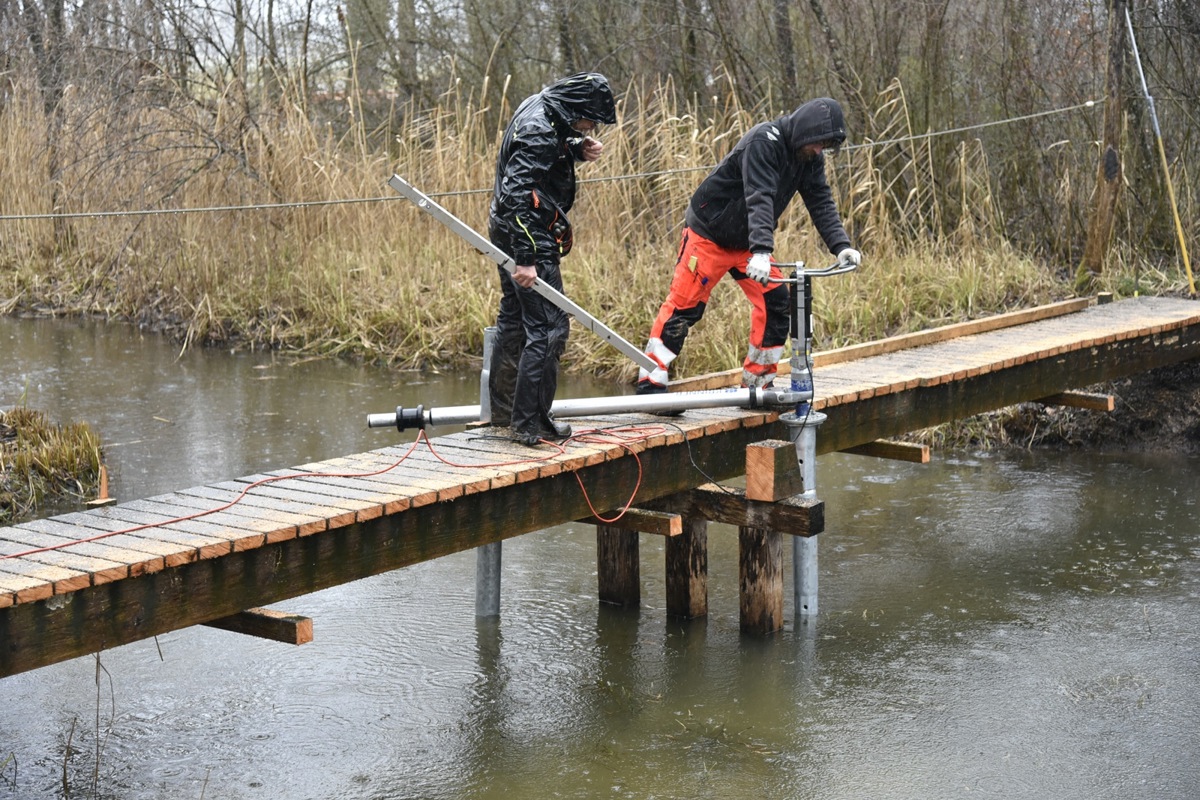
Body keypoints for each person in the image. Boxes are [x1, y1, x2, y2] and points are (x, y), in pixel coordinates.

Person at [636, 97, 862, 394]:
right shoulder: (763, 141)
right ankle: (651, 378)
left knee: (777, 304)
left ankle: (756, 382)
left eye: (826, 146)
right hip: (710, 233)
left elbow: (820, 201)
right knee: (685, 304)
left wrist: (841, 246)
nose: (821, 150)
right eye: (820, 143)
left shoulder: (809, 158)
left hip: (749, 244)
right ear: (806, 132)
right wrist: (762, 251)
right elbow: (760, 196)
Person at [486, 72, 617, 446]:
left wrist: (576, 148)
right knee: (549, 328)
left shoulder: (542, 106)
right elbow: (517, 195)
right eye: (589, 119)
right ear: (575, 109)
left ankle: (505, 413)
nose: (591, 126)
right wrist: (526, 258)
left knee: (514, 318)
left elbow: (545, 151)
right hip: (526, 232)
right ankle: (531, 424)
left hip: (505, 226)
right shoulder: (540, 131)